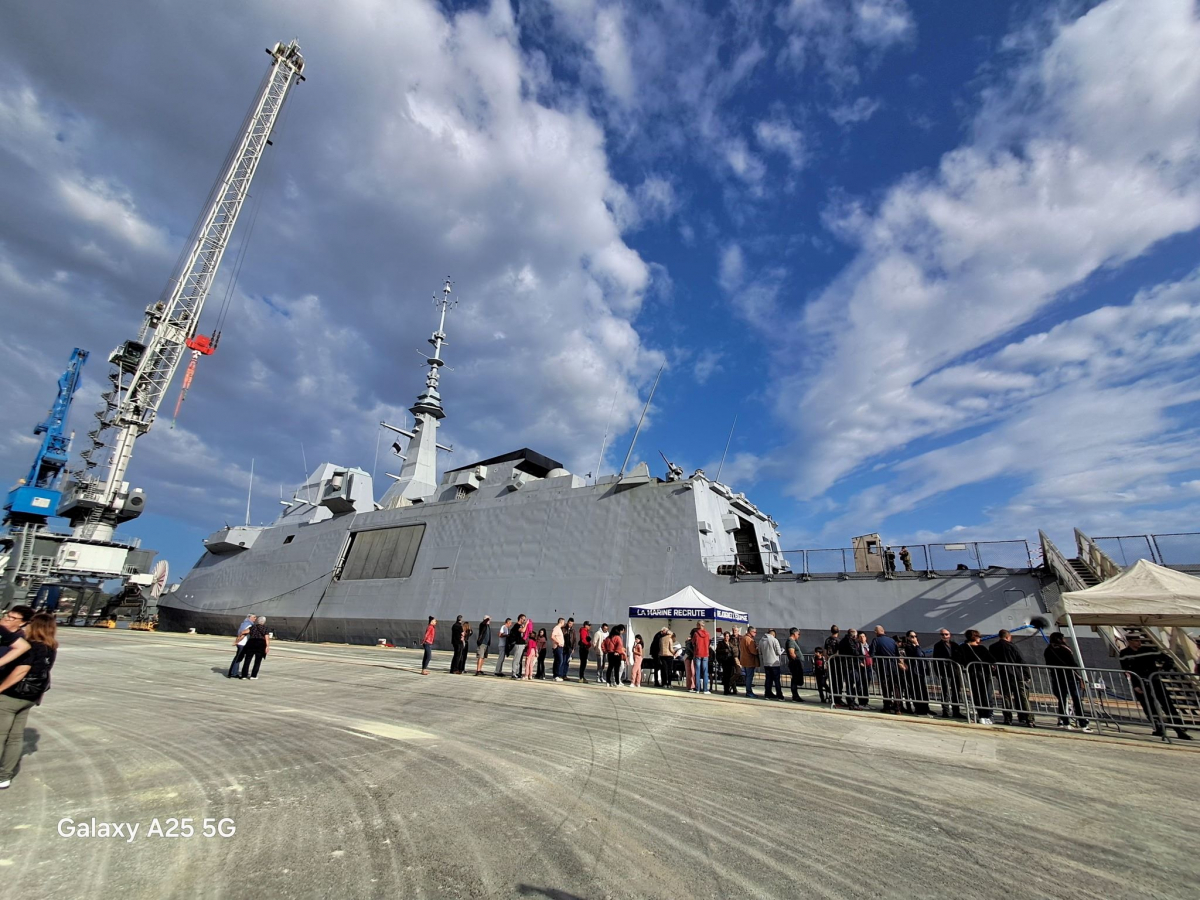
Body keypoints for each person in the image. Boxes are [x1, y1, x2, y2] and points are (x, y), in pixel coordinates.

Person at [0, 612, 57, 789]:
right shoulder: (51, 647)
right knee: (15, 738)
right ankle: (5, 776)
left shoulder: (31, 646)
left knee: (1, 736)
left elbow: (21, 672)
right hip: (30, 697)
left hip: (12, 696)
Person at [1119, 634, 1192, 740]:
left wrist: (1163, 669)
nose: (1139, 642)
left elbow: (1168, 659)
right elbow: (1126, 671)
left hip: (1155, 681)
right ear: (1129, 641)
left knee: (1167, 705)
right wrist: (1135, 685)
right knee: (1149, 707)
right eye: (1136, 640)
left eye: (1139, 640)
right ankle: (1159, 728)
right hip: (1140, 683)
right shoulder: (1124, 654)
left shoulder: (1149, 650)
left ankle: (1179, 730)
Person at [1044, 632, 1091, 732]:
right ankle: (1082, 723)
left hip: (1056, 676)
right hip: (1070, 677)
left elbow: (1048, 664)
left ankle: (1064, 721)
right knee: (1076, 699)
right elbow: (1072, 664)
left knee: (1062, 699)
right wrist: (1080, 677)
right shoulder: (1065, 649)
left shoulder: (1048, 650)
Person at [989, 629, 1033, 726]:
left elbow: (992, 661)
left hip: (1002, 675)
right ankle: (1029, 719)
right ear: (1008, 637)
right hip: (1016, 675)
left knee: (1006, 697)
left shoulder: (993, 647)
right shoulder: (1012, 646)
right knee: (1023, 697)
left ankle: (1008, 719)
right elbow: (1021, 660)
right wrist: (1027, 675)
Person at [959, 629, 995, 725]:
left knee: (977, 695)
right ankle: (987, 716)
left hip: (971, 673)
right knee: (986, 695)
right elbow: (992, 659)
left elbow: (957, 658)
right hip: (984, 673)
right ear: (975, 637)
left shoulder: (963, 647)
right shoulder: (982, 648)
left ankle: (981, 715)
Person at [932, 628, 965, 719]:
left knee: (956, 692)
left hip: (955, 671)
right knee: (945, 692)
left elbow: (959, 656)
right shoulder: (937, 646)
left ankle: (956, 711)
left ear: (949, 635)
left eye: (946, 634)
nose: (944, 636)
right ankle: (945, 711)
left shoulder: (955, 645)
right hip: (944, 671)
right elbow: (936, 660)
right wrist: (938, 673)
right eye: (942, 634)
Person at [869, 626, 901, 713]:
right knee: (895, 687)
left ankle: (887, 706)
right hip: (893, 666)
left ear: (876, 632)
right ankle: (897, 707)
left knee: (885, 686)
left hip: (883, 666)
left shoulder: (876, 640)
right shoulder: (892, 641)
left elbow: (872, 653)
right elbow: (897, 654)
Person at [899, 631, 931, 716]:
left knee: (923, 691)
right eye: (912, 636)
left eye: (915, 636)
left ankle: (925, 708)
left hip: (920, 671)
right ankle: (919, 709)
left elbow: (922, 656)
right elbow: (917, 655)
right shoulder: (908, 647)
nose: (914, 638)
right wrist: (916, 645)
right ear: (908, 637)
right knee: (917, 692)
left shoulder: (916, 646)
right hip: (914, 672)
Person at [835, 628, 865, 709]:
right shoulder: (849, 641)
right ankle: (851, 701)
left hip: (849, 665)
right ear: (854, 635)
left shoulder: (845, 640)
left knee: (852, 684)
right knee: (856, 683)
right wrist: (860, 655)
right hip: (850, 665)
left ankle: (851, 700)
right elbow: (854, 651)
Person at [758, 628, 784, 700]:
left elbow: (759, 652)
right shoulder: (774, 640)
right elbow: (778, 652)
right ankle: (779, 696)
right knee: (776, 680)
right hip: (774, 663)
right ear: (773, 634)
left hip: (766, 663)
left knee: (768, 679)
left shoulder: (761, 641)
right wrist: (782, 650)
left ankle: (767, 694)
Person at [228, 613, 255, 678]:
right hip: (242, 643)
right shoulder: (249, 625)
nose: (255, 618)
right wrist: (237, 641)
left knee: (237, 658)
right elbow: (243, 634)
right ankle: (233, 673)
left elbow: (239, 633)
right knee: (238, 659)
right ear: (249, 617)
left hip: (240, 643)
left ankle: (232, 672)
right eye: (254, 617)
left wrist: (236, 641)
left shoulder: (243, 623)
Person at [739, 626, 761, 698]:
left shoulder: (743, 638)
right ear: (750, 632)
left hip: (744, 660)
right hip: (750, 661)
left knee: (747, 677)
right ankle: (749, 692)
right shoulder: (749, 640)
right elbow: (753, 651)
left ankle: (748, 691)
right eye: (754, 632)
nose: (755, 633)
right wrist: (758, 649)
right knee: (749, 677)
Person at [716, 630, 740, 695]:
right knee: (726, 676)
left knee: (732, 675)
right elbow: (717, 651)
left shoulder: (731, 643)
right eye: (725, 636)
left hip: (731, 661)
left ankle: (733, 689)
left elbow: (734, 650)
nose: (727, 637)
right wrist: (724, 650)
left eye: (728, 636)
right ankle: (726, 690)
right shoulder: (721, 643)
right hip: (725, 661)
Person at [784, 628, 805, 702]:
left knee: (796, 679)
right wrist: (797, 661)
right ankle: (795, 696)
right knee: (795, 680)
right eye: (798, 634)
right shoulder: (791, 641)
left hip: (796, 663)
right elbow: (791, 653)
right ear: (794, 633)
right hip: (795, 663)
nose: (799, 636)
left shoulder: (792, 641)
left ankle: (796, 696)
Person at [691, 622, 711, 694]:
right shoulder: (708, 634)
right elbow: (709, 643)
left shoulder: (696, 634)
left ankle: (697, 689)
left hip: (698, 653)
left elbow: (693, 643)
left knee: (697, 672)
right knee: (705, 672)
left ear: (698, 625)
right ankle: (705, 689)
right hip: (705, 654)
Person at [509, 614, 529, 678]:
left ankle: (517, 672)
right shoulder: (517, 625)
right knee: (516, 659)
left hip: (522, 644)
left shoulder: (521, 625)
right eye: (523, 619)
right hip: (518, 644)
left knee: (519, 659)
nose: (524, 620)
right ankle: (514, 672)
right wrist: (526, 624)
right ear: (520, 619)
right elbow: (522, 630)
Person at [550, 618, 566, 682]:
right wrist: (558, 642)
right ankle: (556, 675)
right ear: (561, 622)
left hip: (560, 647)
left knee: (557, 661)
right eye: (563, 622)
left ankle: (555, 675)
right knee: (559, 661)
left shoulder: (559, 629)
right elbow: (552, 636)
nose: (564, 623)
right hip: (558, 647)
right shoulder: (556, 628)